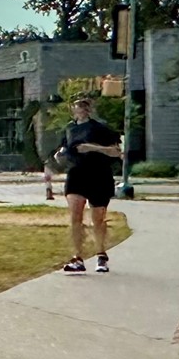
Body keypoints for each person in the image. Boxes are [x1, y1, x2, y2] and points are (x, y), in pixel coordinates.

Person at [55, 93, 121, 273]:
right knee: (75, 217)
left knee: (98, 219)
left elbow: (116, 152)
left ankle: (101, 255)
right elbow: (64, 148)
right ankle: (78, 257)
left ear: (89, 110)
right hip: (76, 174)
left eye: (85, 107)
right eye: (77, 107)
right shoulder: (69, 129)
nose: (81, 110)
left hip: (99, 175)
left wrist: (92, 148)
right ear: (73, 110)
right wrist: (59, 155)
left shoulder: (101, 129)